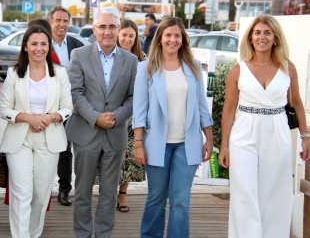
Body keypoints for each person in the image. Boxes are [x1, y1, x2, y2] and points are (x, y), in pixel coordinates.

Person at [218, 14, 310, 238]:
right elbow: (229, 109)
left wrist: (306, 136)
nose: (262, 37)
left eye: (267, 32)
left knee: (273, 192)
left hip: (277, 132)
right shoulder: (238, 70)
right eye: (257, 32)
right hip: (243, 133)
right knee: (244, 191)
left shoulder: (288, 68)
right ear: (250, 38)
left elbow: (297, 102)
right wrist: (224, 145)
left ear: (275, 38)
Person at [133, 17, 213, 238]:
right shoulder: (146, 68)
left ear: (183, 39)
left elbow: (201, 105)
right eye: (168, 35)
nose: (172, 39)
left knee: (180, 201)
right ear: (160, 39)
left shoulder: (193, 67)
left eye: (177, 35)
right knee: (156, 198)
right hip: (156, 144)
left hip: (187, 145)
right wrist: (138, 144)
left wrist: (209, 138)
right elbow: (139, 109)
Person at [66, 7, 138, 238]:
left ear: (119, 29)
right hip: (86, 132)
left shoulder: (131, 60)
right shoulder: (79, 55)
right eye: (102, 27)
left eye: (112, 27)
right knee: (83, 191)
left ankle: (104, 234)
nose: (107, 32)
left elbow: (134, 97)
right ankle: (83, 234)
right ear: (95, 29)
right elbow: (75, 93)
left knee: (109, 193)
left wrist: (117, 116)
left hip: (115, 134)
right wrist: (95, 117)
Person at [0, 25, 73, 238]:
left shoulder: (60, 74)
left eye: (43, 44)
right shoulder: (14, 74)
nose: (39, 48)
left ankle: (34, 234)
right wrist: (28, 117)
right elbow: (3, 109)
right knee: (21, 194)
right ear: (25, 47)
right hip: (19, 139)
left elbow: (68, 107)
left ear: (49, 47)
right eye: (34, 44)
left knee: (40, 196)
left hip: (49, 139)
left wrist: (49, 118)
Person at [94, 19, 146, 212]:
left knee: (129, 159)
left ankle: (122, 195)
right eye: (124, 34)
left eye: (131, 36)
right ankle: (107, 193)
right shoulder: (108, 56)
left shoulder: (142, 60)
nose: (127, 39)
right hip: (110, 115)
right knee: (106, 156)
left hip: (134, 117)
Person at [49, 5, 84, 206]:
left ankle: (64, 190)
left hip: (69, 105)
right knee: (45, 148)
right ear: (51, 22)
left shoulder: (75, 45)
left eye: (65, 21)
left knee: (65, 148)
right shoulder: (42, 42)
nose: (62, 24)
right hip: (46, 105)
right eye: (58, 20)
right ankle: (41, 190)